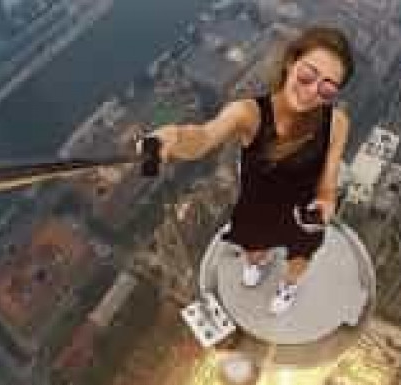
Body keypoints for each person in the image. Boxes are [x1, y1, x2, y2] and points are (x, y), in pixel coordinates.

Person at [150, 26, 352, 315]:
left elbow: (328, 180)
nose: (311, 92)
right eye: (308, 75)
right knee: (254, 248)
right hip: (259, 205)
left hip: (303, 210)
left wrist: (325, 203)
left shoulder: (336, 124)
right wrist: (176, 137)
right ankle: (257, 263)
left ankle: (288, 287)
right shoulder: (249, 113)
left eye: (327, 88)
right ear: (290, 62)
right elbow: (205, 137)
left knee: (300, 256)